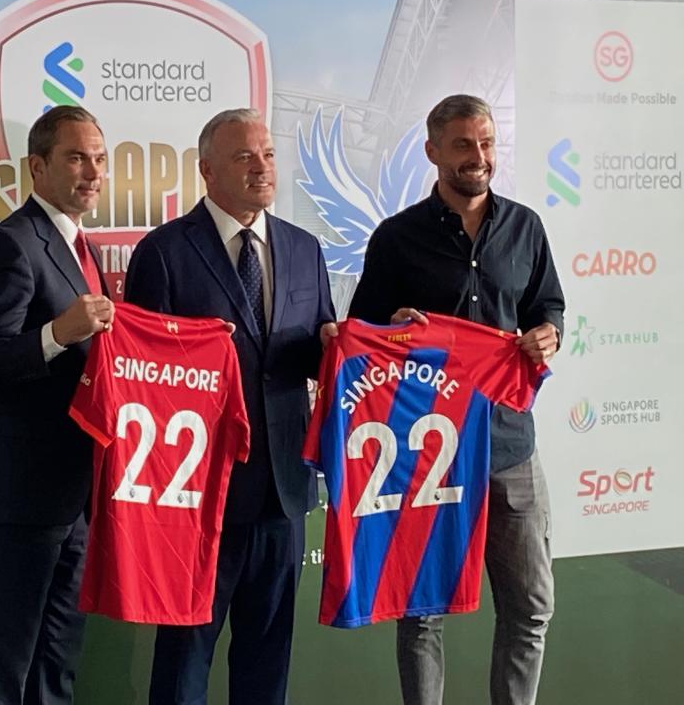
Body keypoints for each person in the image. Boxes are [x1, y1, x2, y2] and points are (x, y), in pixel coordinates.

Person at [348, 94, 565, 705]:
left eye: (488, 144)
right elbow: (362, 333)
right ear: (433, 151)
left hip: (509, 446)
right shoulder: (396, 238)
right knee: (421, 612)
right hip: (428, 455)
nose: (479, 157)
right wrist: (394, 327)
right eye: (465, 145)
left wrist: (550, 332)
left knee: (530, 609)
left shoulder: (525, 226)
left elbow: (547, 304)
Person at [125, 108, 337, 705]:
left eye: (268, 155)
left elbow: (318, 348)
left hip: (284, 491)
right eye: (245, 156)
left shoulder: (303, 248)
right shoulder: (163, 253)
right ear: (207, 170)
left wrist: (368, 344)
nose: (261, 168)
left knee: (267, 660)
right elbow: (145, 379)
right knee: (183, 661)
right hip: (199, 496)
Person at [0, 105, 114, 705]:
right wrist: (57, 333)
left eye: (99, 159)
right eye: (76, 158)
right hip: (19, 497)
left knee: (56, 665)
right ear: (37, 167)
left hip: (74, 498)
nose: (92, 172)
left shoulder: (80, 245)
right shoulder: (10, 246)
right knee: (5, 666)